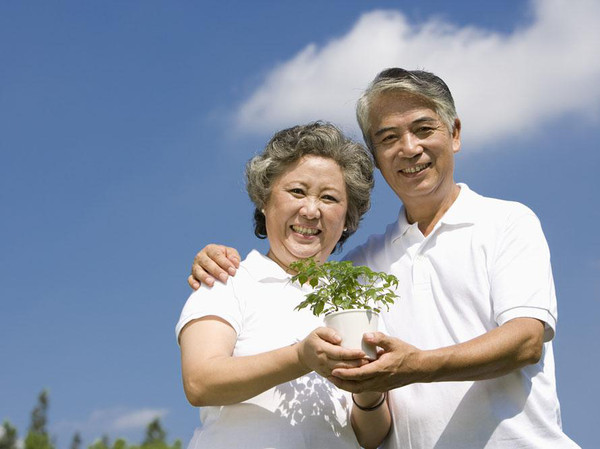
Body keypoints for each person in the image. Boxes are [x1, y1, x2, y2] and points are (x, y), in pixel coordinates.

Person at [187, 69, 580, 448]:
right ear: (377, 155)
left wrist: (413, 367)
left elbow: (526, 340)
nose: (409, 148)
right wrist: (214, 259)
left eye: (424, 129)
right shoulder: (358, 272)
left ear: (455, 133)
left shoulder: (507, 221)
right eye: (389, 137)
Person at [176, 122, 391, 449]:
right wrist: (301, 357)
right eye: (297, 191)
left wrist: (370, 392)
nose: (310, 210)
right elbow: (200, 382)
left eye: (330, 198)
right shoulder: (228, 278)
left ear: (347, 218)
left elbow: (370, 436)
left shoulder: (355, 299)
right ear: (264, 201)